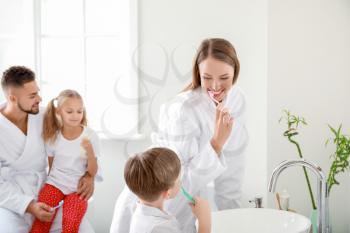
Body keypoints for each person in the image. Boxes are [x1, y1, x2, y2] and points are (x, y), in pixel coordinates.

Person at [110, 38, 248, 233]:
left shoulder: (237, 100)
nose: (216, 86)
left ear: (236, 72)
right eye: (207, 77)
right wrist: (216, 144)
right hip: (158, 199)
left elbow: (233, 170)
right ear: (198, 73)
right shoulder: (182, 110)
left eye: (224, 77)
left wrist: (234, 220)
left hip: (180, 200)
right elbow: (175, 182)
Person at [0, 66, 95, 233]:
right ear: (13, 98)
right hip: (12, 200)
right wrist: (28, 205)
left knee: (83, 229)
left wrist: (89, 176)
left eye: (37, 92)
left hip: (49, 189)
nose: (39, 98)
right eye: (32, 96)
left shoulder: (44, 116)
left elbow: (78, 140)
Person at [30, 89, 102, 233]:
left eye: (79, 111)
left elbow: (92, 171)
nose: (75, 116)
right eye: (69, 111)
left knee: (70, 225)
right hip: (55, 184)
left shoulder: (90, 135)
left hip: (77, 189)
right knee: (41, 221)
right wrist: (49, 186)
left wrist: (89, 151)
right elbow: (51, 167)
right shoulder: (53, 137)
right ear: (59, 112)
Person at [125, 147, 211, 233]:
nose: (181, 182)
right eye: (178, 179)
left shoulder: (139, 214)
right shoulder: (161, 227)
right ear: (168, 193)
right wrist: (204, 219)